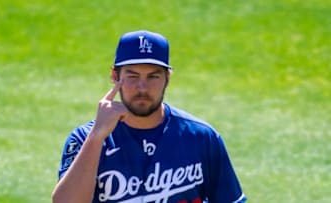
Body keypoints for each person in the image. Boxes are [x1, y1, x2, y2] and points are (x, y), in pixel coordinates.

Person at [52, 30, 247, 203]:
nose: (142, 88)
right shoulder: (84, 138)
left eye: (153, 76)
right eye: (132, 76)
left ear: (168, 77)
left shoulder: (202, 137)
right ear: (114, 75)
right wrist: (96, 138)